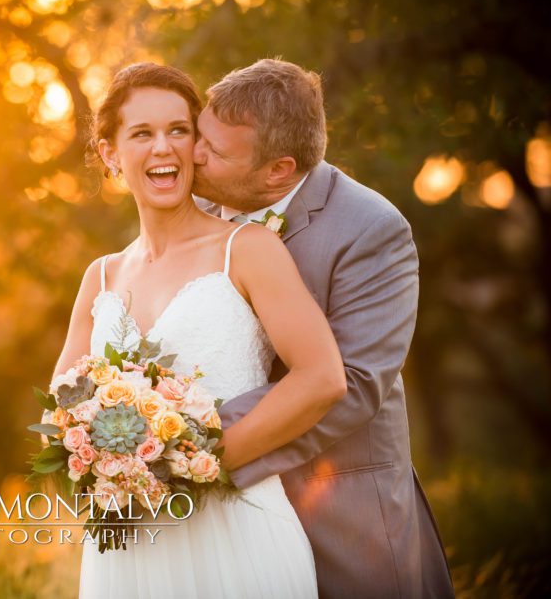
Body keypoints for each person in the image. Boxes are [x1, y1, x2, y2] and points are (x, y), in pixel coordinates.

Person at [53, 62, 347, 598]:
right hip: (131, 543)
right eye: (141, 133)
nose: (163, 147)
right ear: (111, 154)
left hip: (237, 531)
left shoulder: (247, 249)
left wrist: (195, 464)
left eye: (178, 130)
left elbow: (323, 378)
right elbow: (62, 411)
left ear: (195, 145)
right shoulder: (100, 276)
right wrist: (110, 461)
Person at [191, 58, 455, 598]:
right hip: (221, 515)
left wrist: (194, 437)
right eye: (199, 135)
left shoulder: (371, 230)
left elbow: (354, 384)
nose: (192, 155)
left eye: (213, 152)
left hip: (340, 508)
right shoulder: (197, 203)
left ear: (277, 171)